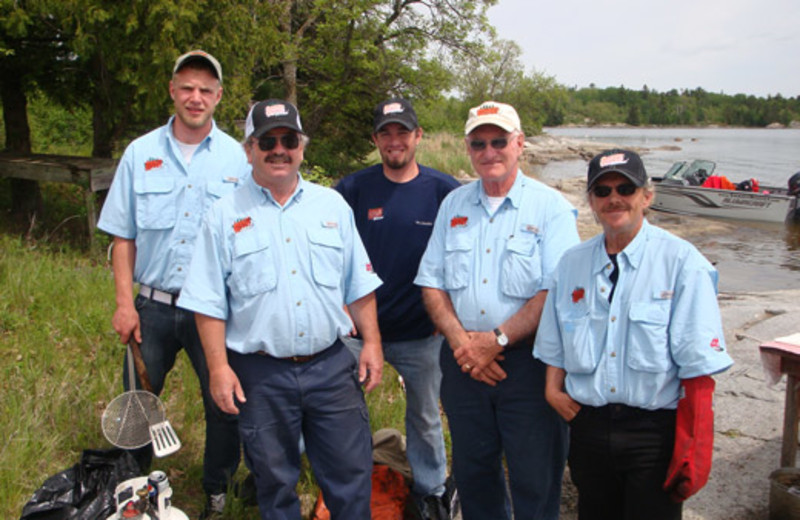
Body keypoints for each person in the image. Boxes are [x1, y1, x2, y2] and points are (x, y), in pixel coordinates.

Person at [177, 99, 384, 520]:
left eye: (288, 139)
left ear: (302, 146)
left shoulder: (332, 207)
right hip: (260, 374)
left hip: (331, 368)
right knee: (274, 482)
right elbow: (208, 303)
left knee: (351, 474)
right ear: (248, 149)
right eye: (266, 140)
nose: (278, 149)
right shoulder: (223, 215)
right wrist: (218, 369)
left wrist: (373, 344)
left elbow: (359, 285)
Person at [534, 149, 735, 520]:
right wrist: (552, 391)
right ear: (591, 202)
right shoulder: (571, 264)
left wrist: (694, 447)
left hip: (653, 434)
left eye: (625, 188)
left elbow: (697, 368)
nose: (614, 198)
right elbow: (554, 342)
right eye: (602, 190)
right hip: (588, 426)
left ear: (647, 196)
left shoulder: (682, 262)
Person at [97, 50, 249, 518]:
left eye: (206, 90)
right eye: (187, 88)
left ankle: (217, 492)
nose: (196, 98)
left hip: (214, 310)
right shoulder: (140, 153)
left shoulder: (238, 159)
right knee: (137, 405)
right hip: (153, 307)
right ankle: (135, 494)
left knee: (224, 404)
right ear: (172, 91)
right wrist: (126, 305)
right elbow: (123, 236)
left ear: (219, 96)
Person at [414, 101, 580, 519]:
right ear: (468, 148)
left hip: (528, 365)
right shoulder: (453, 205)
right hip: (464, 365)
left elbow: (554, 291)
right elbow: (431, 283)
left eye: (499, 141)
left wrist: (497, 339)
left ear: (519, 143)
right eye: (478, 142)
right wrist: (464, 345)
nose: (489, 151)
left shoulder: (551, 208)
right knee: (474, 476)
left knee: (535, 479)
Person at [334, 98, 461, 519]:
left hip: (422, 334)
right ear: (374, 139)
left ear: (418, 136)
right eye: (385, 133)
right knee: (340, 412)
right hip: (357, 333)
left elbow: (461, 256)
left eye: (402, 132)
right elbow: (332, 253)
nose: (394, 141)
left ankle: (431, 491)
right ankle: (348, 486)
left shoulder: (445, 191)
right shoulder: (352, 189)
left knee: (425, 417)